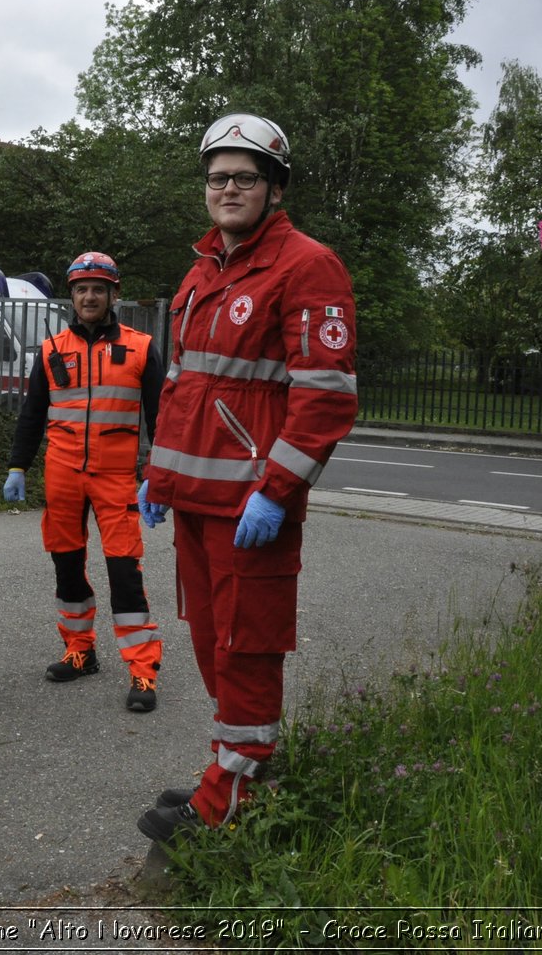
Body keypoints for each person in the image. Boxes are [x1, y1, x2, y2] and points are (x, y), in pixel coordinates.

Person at [135, 113, 358, 844]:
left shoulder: (306, 266)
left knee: (246, 647)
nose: (229, 189)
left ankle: (234, 797)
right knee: (211, 645)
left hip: (251, 506)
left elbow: (325, 397)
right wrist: (158, 476)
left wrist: (277, 489)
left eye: (245, 177)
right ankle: (236, 769)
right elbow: (186, 387)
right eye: (217, 177)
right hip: (198, 503)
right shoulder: (205, 269)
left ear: (274, 186)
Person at [2, 251, 166, 711]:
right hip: (62, 475)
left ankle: (143, 670)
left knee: (124, 574)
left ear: (113, 295)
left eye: (98, 289)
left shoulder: (140, 346)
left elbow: (162, 418)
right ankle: (80, 651)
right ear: (71, 296)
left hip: (116, 479)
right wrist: (18, 466)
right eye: (81, 289)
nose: (89, 296)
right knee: (67, 569)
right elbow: (32, 414)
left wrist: (157, 474)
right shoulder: (52, 350)